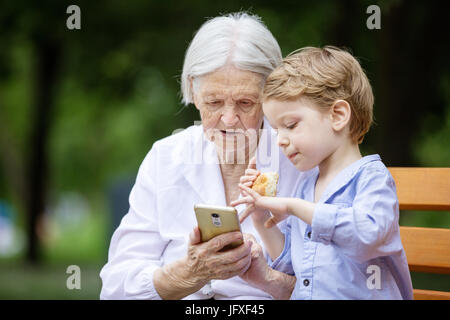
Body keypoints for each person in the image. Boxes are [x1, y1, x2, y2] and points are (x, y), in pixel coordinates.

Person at [99, 12, 302, 300]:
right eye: (214, 102)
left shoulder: (301, 158)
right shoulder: (166, 157)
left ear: (271, 95)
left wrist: (269, 280)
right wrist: (190, 274)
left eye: (245, 103)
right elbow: (116, 288)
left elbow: (338, 288)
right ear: (194, 91)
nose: (229, 119)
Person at [231, 46, 414, 299]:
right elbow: (296, 269)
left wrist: (293, 206)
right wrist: (261, 218)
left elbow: (367, 236)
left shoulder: (371, 179)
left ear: (338, 116)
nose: (280, 141)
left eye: (291, 125)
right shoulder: (307, 186)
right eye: (276, 130)